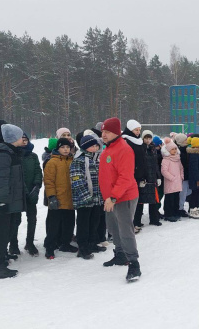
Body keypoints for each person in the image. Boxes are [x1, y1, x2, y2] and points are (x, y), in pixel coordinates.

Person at [99, 117, 141, 281]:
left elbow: (125, 177)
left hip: (123, 196)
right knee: (113, 227)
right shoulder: (109, 148)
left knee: (125, 230)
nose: (103, 134)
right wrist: (107, 197)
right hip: (110, 197)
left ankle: (134, 264)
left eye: (107, 132)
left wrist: (113, 197)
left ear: (116, 132)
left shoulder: (123, 149)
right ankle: (120, 254)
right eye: (102, 131)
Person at [0, 123, 26, 279]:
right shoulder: (3, 154)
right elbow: (0, 179)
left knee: (6, 231)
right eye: (19, 136)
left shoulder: (9, 152)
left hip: (7, 201)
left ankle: (0, 258)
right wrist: (2, 201)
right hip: (0, 203)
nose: (22, 139)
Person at [70, 135, 105, 260]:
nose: (95, 147)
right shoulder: (78, 160)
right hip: (84, 199)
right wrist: (85, 196)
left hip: (96, 198)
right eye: (92, 145)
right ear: (85, 147)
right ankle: (83, 248)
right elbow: (76, 179)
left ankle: (92, 243)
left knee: (94, 221)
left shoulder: (96, 159)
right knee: (83, 223)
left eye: (96, 145)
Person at [43, 138, 77, 259]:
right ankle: (50, 247)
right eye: (63, 147)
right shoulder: (52, 162)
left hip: (70, 199)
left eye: (67, 147)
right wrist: (51, 196)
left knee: (69, 223)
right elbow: (48, 181)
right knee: (54, 225)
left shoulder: (72, 160)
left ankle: (65, 243)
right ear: (58, 148)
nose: (66, 149)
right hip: (57, 199)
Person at [20, 133, 43, 256]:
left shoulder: (33, 156)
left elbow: (38, 171)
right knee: (16, 220)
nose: (24, 142)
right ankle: (13, 244)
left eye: (26, 140)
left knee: (32, 219)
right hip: (18, 193)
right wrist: (23, 189)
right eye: (22, 140)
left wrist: (37, 185)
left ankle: (30, 243)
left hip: (32, 192)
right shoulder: (15, 155)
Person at [134, 130, 161, 229]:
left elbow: (156, 164)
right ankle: (137, 221)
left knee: (154, 200)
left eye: (149, 138)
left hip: (152, 177)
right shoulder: (140, 147)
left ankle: (154, 219)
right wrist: (140, 178)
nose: (148, 140)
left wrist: (158, 176)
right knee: (140, 201)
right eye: (146, 138)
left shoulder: (153, 148)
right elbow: (139, 164)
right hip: (144, 177)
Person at [161, 137, 184, 222]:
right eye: (172, 149)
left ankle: (175, 212)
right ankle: (168, 214)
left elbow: (181, 168)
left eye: (175, 149)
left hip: (177, 182)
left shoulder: (177, 159)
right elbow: (164, 171)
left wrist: (181, 176)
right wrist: (172, 178)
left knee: (176, 198)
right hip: (170, 183)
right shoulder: (166, 160)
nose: (174, 150)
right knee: (169, 199)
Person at [186, 137, 199, 219]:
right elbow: (194, 168)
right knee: (194, 195)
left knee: (198, 194)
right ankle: (192, 210)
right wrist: (198, 179)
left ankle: (196, 209)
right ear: (197, 145)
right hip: (196, 180)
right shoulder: (194, 155)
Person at [175, 133, 191, 218]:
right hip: (182, 175)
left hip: (186, 174)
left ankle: (180, 207)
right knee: (183, 193)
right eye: (185, 140)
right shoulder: (179, 151)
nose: (187, 141)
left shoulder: (186, 149)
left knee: (187, 191)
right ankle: (180, 208)